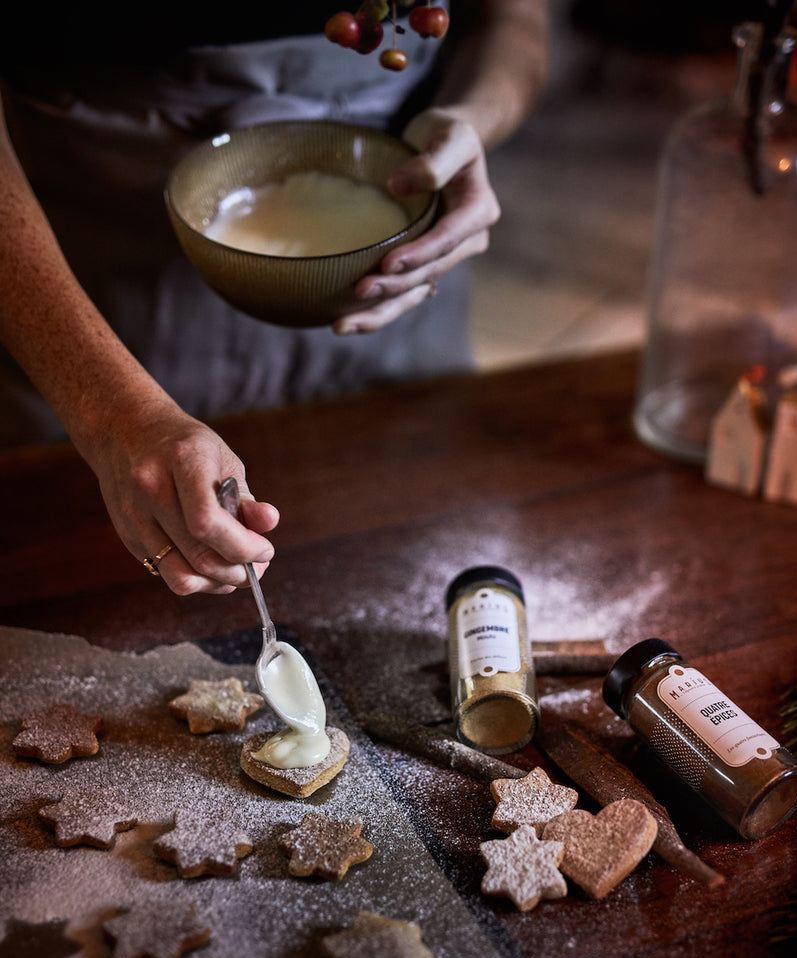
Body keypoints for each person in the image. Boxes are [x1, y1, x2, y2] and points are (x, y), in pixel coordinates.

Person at [0, 1, 546, 596]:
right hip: (94, 300)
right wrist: (109, 415)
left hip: (391, 278)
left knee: (415, 570)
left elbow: (516, 18)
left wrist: (473, 118)